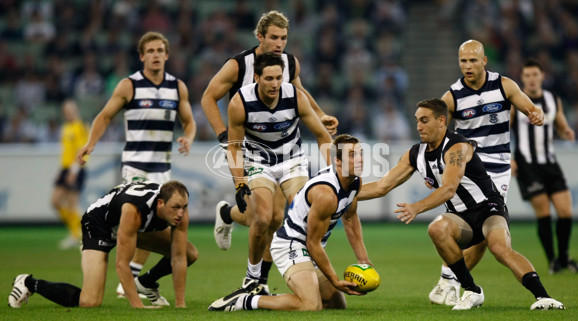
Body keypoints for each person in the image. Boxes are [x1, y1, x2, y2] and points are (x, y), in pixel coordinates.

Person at [358, 98, 564, 310]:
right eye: (417, 120)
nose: (419, 126)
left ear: (441, 121)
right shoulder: (415, 154)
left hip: (488, 209)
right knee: (437, 229)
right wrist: (345, 195)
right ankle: (472, 291)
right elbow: (382, 186)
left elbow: (449, 189)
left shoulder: (458, 148)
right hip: (461, 218)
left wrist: (416, 207)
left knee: (500, 248)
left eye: (424, 120)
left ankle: (544, 298)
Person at [201, 10, 338, 294]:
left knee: (278, 218)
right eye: (273, 37)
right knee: (263, 217)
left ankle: (261, 274)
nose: (279, 43)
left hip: (287, 153)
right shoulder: (238, 66)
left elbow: (298, 92)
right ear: (260, 37)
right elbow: (207, 98)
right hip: (252, 148)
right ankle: (253, 275)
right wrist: (223, 135)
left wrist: (321, 115)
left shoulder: (288, 64)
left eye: (284, 38)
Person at [76, 31, 196, 305]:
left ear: (167, 55)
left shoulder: (177, 87)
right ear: (142, 56)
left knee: (158, 225)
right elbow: (105, 115)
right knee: (141, 221)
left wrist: (188, 137)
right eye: (150, 51)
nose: (155, 55)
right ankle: (130, 278)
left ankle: (136, 280)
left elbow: (189, 120)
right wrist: (90, 143)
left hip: (162, 169)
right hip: (135, 166)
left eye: (159, 50)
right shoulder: (129, 86)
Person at [428, 39, 546, 306]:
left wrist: (535, 113)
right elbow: (438, 131)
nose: (467, 66)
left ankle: (448, 279)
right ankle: (451, 281)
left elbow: (529, 107)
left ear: (484, 61)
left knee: (483, 238)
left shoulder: (504, 85)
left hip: (500, 169)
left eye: (472, 60)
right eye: (463, 61)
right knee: (481, 232)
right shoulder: (452, 96)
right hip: (471, 172)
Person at [209, 134, 370, 311]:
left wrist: (363, 259)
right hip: (290, 245)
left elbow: (354, 215)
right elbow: (313, 242)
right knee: (310, 305)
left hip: (308, 247)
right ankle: (245, 300)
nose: (360, 159)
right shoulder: (326, 194)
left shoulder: (354, 182)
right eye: (353, 155)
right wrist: (334, 280)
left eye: (361, 153)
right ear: (337, 162)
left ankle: (275, 298)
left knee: (335, 304)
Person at [8, 180, 198, 308]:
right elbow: (122, 264)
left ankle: (146, 283)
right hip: (99, 224)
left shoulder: (179, 211)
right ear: (160, 204)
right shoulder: (134, 211)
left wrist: (180, 305)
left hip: (127, 226)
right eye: (176, 208)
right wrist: (139, 308)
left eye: (184, 207)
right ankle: (29, 283)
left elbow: (179, 258)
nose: (181, 213)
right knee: (90, 301)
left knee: (189, 253)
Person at [511, 59, 578, 274]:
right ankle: (553, 261)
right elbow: (505, 132)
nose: (531, 79)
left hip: (551, 163)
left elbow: (560, 125)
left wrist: (567, 132)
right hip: (527, 165)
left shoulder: (553, 100)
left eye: (535, 75)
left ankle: (564, 258)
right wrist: (510, 159)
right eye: (527, 76)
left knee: (565, 212)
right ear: (522, 79)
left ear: (542, 76)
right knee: (543, 212)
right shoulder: (516, 102)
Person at [51, 99, 88, 250]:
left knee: (72, 205)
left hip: (76, 168)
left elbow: (82, 150)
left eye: (70, 110)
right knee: (55, 202)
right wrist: (62, 171)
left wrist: (74, 171)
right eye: (66, 110)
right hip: (65, 168)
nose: (68, 112)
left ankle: (80, 235)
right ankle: (76, 232)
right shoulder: (66, 127)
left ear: (76, 110)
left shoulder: (80, 127)